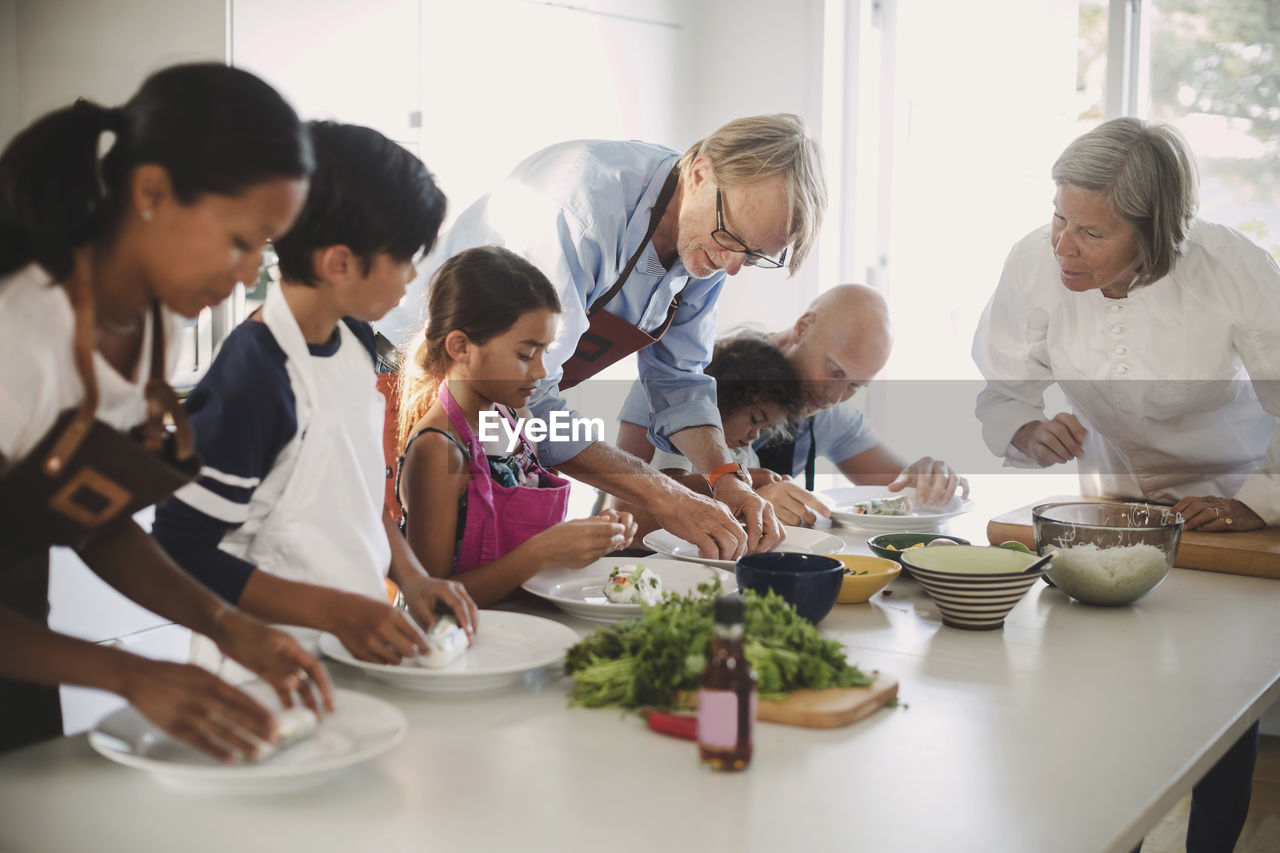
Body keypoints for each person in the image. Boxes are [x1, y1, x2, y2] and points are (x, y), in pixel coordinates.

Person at [0, 63, 333, 761]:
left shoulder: (156, 328)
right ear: (152, 190)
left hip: (23, 650)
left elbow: (93, 524)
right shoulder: (17, 335)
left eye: (263, 250)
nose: (249, 276)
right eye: (240, 241)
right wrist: (130, 672)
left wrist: (225, 625)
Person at [972, 116, 1277, 853]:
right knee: (1099, 697)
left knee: (1221, 699)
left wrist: (1256, 503)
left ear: (1156, 230)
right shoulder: (1035, 263)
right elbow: (1003, 386)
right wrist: (1023, 428)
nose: (1063, 244)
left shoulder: (1233, 269)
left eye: (1092, 232)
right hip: (1109, 504)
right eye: (1058, 216)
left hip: (1228, 500)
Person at [381, 114, 828, 559]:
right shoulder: (578, 208)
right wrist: (665, 496)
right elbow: (531, 397)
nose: (731, 267)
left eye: (752, 257)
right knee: (413, 562)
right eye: (730, 238)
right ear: (699, 173)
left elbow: (680, 380)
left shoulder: (711, 238)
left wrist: (726, 476)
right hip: (409, 378)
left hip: (505, 411)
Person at [152, 122, 477, 664]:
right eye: (403, 258)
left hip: (353, 648)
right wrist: (335, 612)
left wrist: (414, 580)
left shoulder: (353, 340)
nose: (412, 276)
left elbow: (353, 495)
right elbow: (180, 546)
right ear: (340, 263)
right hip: (260, 669)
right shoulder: (256, 375)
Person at [395, 246, 637, 608]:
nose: (541, 372)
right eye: (525, 355)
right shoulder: (439, 448)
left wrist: (588, 537)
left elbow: (516, 536)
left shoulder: (515, 418)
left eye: (544, 353)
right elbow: (430, 600)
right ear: (461, 347)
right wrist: (542, 553)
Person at [617, 285, 970, 526]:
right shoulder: (683, 376)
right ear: (804, 327)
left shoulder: (826, 412)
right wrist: (740, 494)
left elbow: (900, 489)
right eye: (834, 372)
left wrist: (928, 475)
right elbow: (624, 510)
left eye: (854, 387)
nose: (834, 397)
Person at [616, 332, 803, 539]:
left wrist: (768, 492)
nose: (755, 434)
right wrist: (744, 480)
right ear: (726, 397)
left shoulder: (745, 452)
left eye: (765, 428)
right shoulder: (684, 434)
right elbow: (670, 484)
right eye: (754, 418)